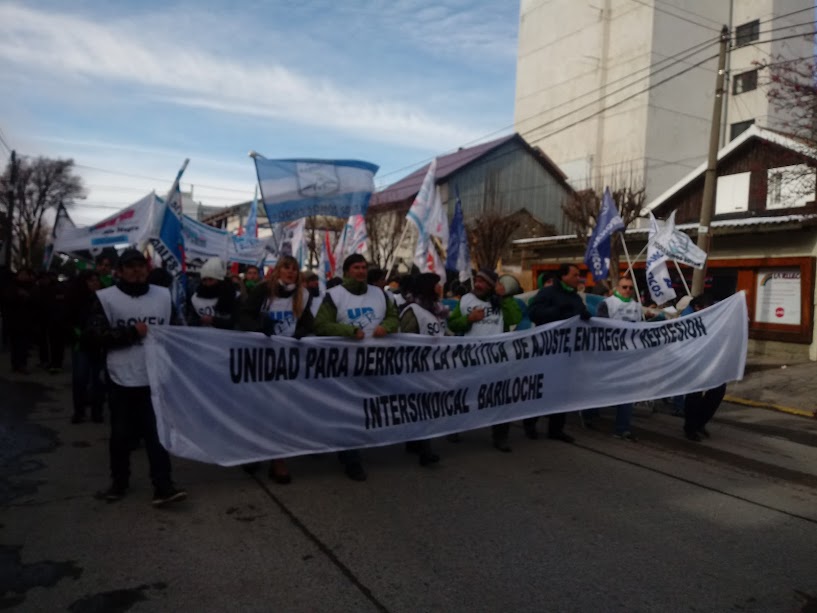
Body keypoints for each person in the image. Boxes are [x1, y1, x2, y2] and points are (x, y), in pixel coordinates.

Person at [87, 249, 187, 507]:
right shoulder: (106, 298)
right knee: (121, 434)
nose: (136, 271)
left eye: (140, 266)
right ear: (119, 271)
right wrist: (131, 332)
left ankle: (163, 486)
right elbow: (94, 336)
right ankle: (119, 482)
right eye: (129, 267)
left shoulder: (163, 296)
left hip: (155, 376)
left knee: (156, 434)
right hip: (121, 376)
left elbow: (177, 331)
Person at [314, 254, 399, 481]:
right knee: (347, 409)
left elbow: (394, 317)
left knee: (365, 408)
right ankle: (351, 458)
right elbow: (321, 325)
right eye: (356, 267)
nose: (361, 271)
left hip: (374, 363)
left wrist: (387, 326)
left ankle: (348, 448)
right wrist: (349, 332)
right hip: (345, 365)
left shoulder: (379, 293)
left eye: (364, 267)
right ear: (347, 271)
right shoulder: (334, 296)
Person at [240, 255, 313, 484]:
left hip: (287, 361)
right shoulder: (263, 291)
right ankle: (254, 452)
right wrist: (260, 329)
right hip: (262, 358)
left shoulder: (303, 294)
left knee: (283, 412)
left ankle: (278, 459)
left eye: (294, 269)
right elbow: (244, 316)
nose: (290, 273)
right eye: (286, 268)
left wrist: (302, 333)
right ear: (278, 270)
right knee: (259, 408)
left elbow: (307, 321)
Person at [448, 268, 522, 451]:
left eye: (483, 282)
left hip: (496, 360)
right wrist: (468, 319)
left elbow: (515, 318)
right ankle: (455, 427)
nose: (478, 284)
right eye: (477, 280)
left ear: (492, 286)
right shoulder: (466, 301)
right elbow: (452, 323)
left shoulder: (502, 302)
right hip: (469, 359)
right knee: (463, 395)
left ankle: (500, 437)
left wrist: (504, 298)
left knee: (500, 398)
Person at [525, 263, 592, 443]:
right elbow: (533, 313)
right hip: (546, 351)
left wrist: (585, 315)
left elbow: (580, 313)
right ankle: (530, 423)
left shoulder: (575, 297)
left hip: (566, 353)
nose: (579, 278)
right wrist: (558, 312)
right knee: (541, 390)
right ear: (563, 276)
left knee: (562, 392)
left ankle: (556, 428)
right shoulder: (547, 293)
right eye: (576, 275)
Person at [399, 273, 447, 466]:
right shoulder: (413, 310)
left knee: (423, 407)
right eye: (437, 284)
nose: (440, 288)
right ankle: (425, 452)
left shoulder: (435, 310)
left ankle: (414, 443)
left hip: (432, 366)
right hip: (417, 368)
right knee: (423, 408)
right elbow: (405, 338)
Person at [595, 275, 642, 441]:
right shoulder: (607, 303)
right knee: (599, 387)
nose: (628, 290)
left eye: (630, 287)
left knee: (626, 392)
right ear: (617, 288)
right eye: (624, 287)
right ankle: (590, 415)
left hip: (629, 356)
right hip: (609, 355)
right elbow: (601, 328)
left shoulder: (637, 306)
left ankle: (622, 428)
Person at [682, 295, 725, 442]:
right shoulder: (686, 320)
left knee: (718, 391)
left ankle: (700, 423)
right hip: (694, 363)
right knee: (694, 396)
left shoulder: (712, 319)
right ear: (697, 308)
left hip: (712, 362)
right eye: (708, 308)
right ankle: (690, 427)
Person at [66, 271, 105, 423]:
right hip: (81, 345)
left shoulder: (104, 299)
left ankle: (97, 411)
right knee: (80, 379)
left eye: (97, 280)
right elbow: (68, 321)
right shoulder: (75, 300)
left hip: (99, 344)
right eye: (91, 281)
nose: (95, 283)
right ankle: (79, 411)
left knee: (98, 381)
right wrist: (77, 334)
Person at [188, 257, 238, 329]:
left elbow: (236, 323)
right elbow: (192, 320)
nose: (207, 283)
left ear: (219, 280)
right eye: (204, 280)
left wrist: (214, 321)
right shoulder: (195, 298)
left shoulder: (233, 295)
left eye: (211, 279)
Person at [5, 268, 35, 374]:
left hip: (26, 321)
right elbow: (7, 300)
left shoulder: (31, 287)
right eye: (21, 274)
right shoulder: (12, 286)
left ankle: (22, 364)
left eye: (25, 274)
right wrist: (17, 295)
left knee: (23, 344)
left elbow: (36, 302)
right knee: (14, 343)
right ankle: (15, 364)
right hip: (14, 320)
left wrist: (27, 297)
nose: (23, 276)